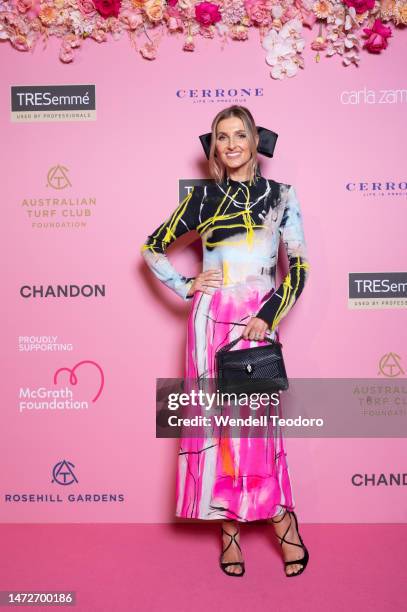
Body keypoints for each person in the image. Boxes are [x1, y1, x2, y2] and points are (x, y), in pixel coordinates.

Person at [140, 105, 310, 578]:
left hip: (257, 323)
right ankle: (228, 531)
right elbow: (152, 247)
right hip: (210, 321)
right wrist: (185, 284)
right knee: (217, 427)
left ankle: (281, 520)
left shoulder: (282, 196)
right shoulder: (201, 199)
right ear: (213, 145)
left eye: (240, 134)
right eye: (222, 136)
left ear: (256, 140)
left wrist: (268, 315)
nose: (232, 144)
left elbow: (299, 268)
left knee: (258, 427)